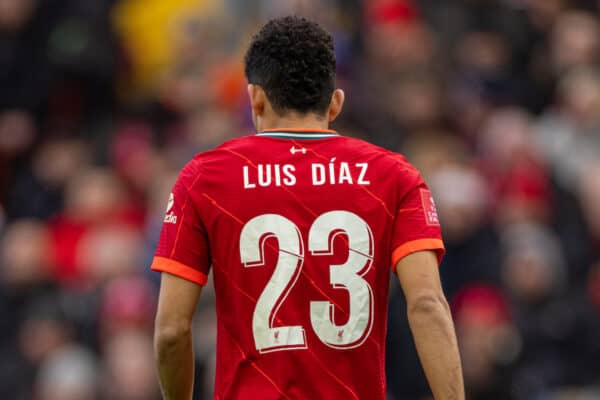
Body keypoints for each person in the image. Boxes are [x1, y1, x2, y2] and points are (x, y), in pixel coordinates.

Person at [152, 16, 464, 400]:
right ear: (335, 103)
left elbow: (171, 330)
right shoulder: (394, 176)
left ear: (255, 97)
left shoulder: (205, 178)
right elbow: (428, 305)